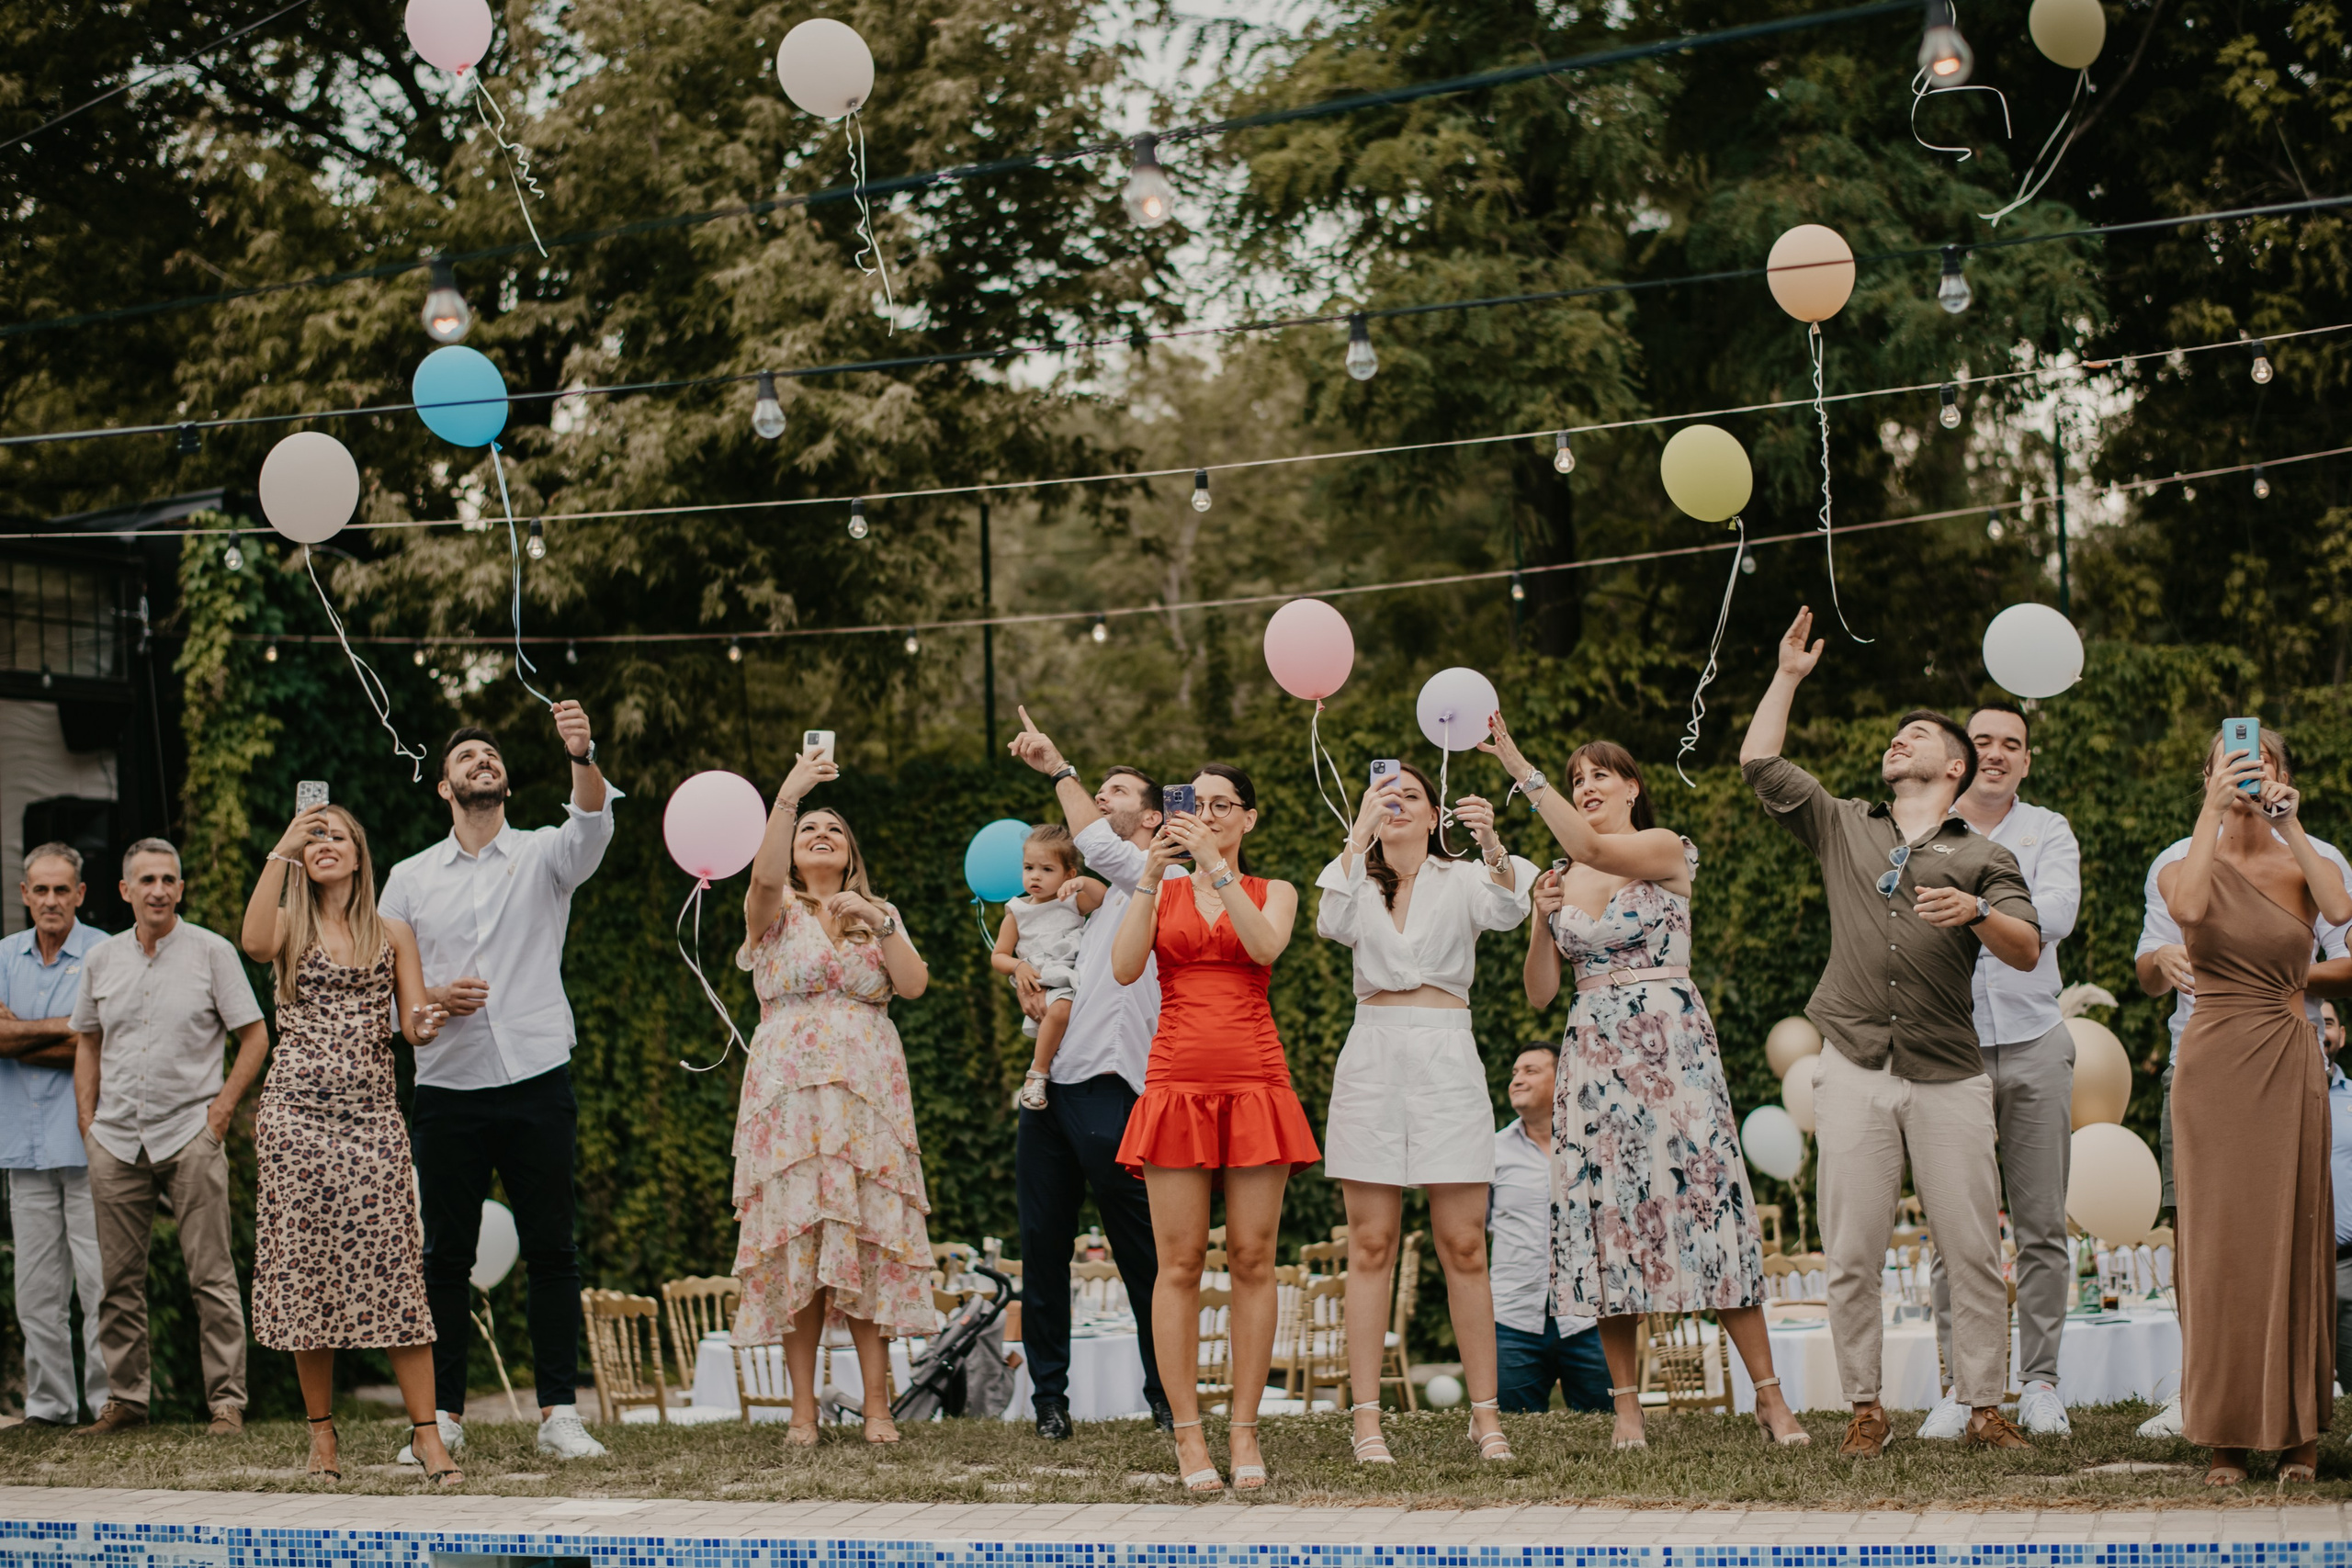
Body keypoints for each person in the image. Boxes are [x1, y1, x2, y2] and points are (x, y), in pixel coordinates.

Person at [1738, 607, 2043, 1458]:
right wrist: (1788, 676)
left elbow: (2025, 949)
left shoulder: (1983, 855)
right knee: (1852, 1250)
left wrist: (1978, 910)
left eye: (1915, 735)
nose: (1896, 742)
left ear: (1957, 766)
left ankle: (1985, 1405)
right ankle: (1866, 1407)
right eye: (1895, 737)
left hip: (1949, 1072)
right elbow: (1758, 764)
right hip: (1855, 1065)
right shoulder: (1845, 822)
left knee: (1974, 1248)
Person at [1495, 722, 1808, 1449]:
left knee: (1710, 1209)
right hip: (1594, 1057)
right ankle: (1627, 1412)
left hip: (1671, 1051)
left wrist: (1516, 760)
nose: (1587, 787)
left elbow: (1596, 846)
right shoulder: (1563, 875)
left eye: (1600, 775)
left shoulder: (1665, 846)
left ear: (1632, 787)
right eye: (1577, 780)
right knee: (1607, 1221)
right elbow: (1541, 994)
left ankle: (1771, 1399)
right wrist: (1543, 921)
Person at [380, 705, 618, 1463]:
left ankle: (559, 1414)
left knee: (553, 1247)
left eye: (491, 755)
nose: (482, 761)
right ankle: (442, 1417)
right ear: (444, 787)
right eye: (468, 756)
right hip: (448, 1086)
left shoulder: (546, 855)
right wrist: (433, 1005)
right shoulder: (407, 879)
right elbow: (398, 1009)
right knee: (443, 1255)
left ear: (505, 781)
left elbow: (592, 824)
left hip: (538, 1076)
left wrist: (582, 751)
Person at [2131, 728, 2352, 1438]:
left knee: (2297, 1230)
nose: (2250, 775)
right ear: (2208, 775)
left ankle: (2297, 1422)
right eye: (2233, 764)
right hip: (2210, 1060)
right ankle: (2220, 1419)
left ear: (2284, 773)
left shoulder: (2312, 857)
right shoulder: (2178, 860)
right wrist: (2211, 813)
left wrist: (2293, 825)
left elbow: (2340, 913)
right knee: (2215, 1239)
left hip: (2290, 1053)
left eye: (2265, 763)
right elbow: (2189, 912)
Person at [1315, 761, 1532, 1463]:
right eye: (1386, 795)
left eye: (1411, 795)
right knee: (1371, 1244)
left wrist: (1493, 843)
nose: (1398, 803)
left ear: (1435, 815)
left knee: (1465, 1243)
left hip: (1446, 1056)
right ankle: (1367, 1420)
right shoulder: (1355, 875)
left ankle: (1486, 1417)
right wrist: (1358, 836)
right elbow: (1328, 920)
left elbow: (1511, 906)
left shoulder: (1463, 878)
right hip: (1373, 1057)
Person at [1111, 763, 1318, 1494]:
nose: (1206, 814)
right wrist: (1149, 874)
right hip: (1175, 1084)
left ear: (1248, 818)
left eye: (1220, 805)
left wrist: (1213, 867)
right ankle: (1189, 1437)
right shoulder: (1158, 889)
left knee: (1255, 1257)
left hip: (1256, 1082)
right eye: (1194, 805)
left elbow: (1264, 947)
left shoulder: (1275, 891)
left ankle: (1245, 1429)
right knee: (1179, 1264)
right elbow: (1125, 964)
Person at [239, 804, 459, 1485]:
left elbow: (414, 1024)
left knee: (395, 1268)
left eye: (336, 834)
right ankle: (322, 1438)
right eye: (314, 835)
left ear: (360, 856)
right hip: (296, 1120)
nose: (323, 842)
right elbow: (250, 941)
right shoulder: (288, 924)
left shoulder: (392, 931)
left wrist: (426, 1017)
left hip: (371, 1121)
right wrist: (282, 846)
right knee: (306, 1275)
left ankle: (427, 1435)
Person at [732, 741, 933, 1445]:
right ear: (792, 851)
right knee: (800, 1242)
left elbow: (911, 985)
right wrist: (792, 789)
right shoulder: (773, 906)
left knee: (869, 1237)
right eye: (809, 831)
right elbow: (760, 872)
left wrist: (879, 922)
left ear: (850, 856)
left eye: (834, 831)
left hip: (866, 1096)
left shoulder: (878, 913)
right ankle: (802, 1411)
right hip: (789, 1098)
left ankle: (878, 1405)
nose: (821, 836)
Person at [1006, 709, 1174, 1438]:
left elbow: (1096, 840)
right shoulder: (1089, 896)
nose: (1102, 798)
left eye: (1117, 790)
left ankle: (1167, 1396)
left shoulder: (1162, 874)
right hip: (1050, 1087)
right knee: (1042, 1246)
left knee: (1141, 1253)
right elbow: (1046, 955)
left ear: (1155, 817)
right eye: (1097, 788)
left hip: (1116, 1085)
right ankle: (1049, 1402)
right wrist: (1022, 973)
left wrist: (1060, 767)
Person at [1917, 701, 2082, 1440]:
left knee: (2042, 1222)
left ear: (2028, 759)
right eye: (1981, 740)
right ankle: (1962, 1383)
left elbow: (2054, 914)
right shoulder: (1921, 827)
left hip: (2034, 1036)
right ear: (1960, 754)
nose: (1996, 752)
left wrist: (1973, 905)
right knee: (1958, 1229)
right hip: (1946, 1046)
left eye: (2010, 743)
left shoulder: (2048, 831)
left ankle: (2041, 1381)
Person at [70, 839, 268, 1437]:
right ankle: (127, 1400)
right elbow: (87, 1039)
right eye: (146, 879)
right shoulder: (102, 959)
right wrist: (88, 1122)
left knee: (211, 1275)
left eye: (169, 878)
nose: (158, 888)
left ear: (181, 888)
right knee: (117, 1280)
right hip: (116, 1139)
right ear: (125, 890)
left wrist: (220, 1113)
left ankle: (227, 1404)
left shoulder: (213, 952)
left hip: (190, 1133)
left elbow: (254, 1036)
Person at [0, 844, 110, 1427]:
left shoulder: (103, 952)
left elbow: (97, 1041)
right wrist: (70, 1033)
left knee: (99, 1287)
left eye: (61, 890)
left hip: (89, 1144)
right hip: (24, 1143)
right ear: (24, 895)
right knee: (36, 1293)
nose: (50, 901)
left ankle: (104, 1405)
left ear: (80, 895)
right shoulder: (1, 956)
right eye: (39, 890)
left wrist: (25, 1032)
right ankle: (48, 1408)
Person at [1487, 1043, 1611, 1415]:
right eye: (1514, 1073)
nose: (1517, 1080)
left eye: (1530, 1071)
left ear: (1560, 1080)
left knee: (1603, 1430)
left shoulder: (1593, 1146)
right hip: (1511, 1319)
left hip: (1590, 1318)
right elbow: (1470, 1235)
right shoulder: (1492, 1151)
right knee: (1516, 1433)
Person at [989, 824, 1102, 1112]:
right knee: (1059, 1012)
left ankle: (1043, 1071)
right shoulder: (1017, 911)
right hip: (1039, 979)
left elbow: (1103, 897)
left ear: (1069, 875)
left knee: (1063, 1011)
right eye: (1029, 868)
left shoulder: (1072, 903)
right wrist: (1018, 966)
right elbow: (999, 955)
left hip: (1067, 976)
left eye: (1047, 869)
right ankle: (1037, 1073)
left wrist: (1084, 884)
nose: (1035, 876)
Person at [2326, 1001, 2352, 1397]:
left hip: (2346, 1260)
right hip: (2290, 1261)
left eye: (2327, 1022)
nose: (2319, 1029)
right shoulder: (2273, 1095)